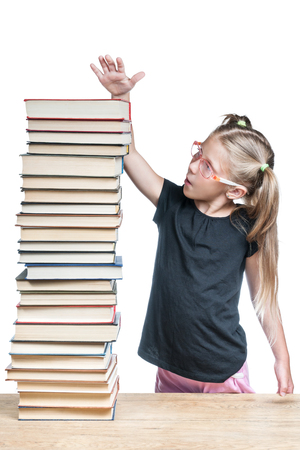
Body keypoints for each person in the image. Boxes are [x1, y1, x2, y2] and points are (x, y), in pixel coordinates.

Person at [90, 55, 294, 396]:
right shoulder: (173, 205)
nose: (193, 164)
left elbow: (264, 302)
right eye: (198, 152)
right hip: (171, 371)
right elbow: (128, 154)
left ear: (234, 190)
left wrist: (282, 359)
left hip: (224, 375)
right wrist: (119, 99)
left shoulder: (247, 230)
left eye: (207, 165)